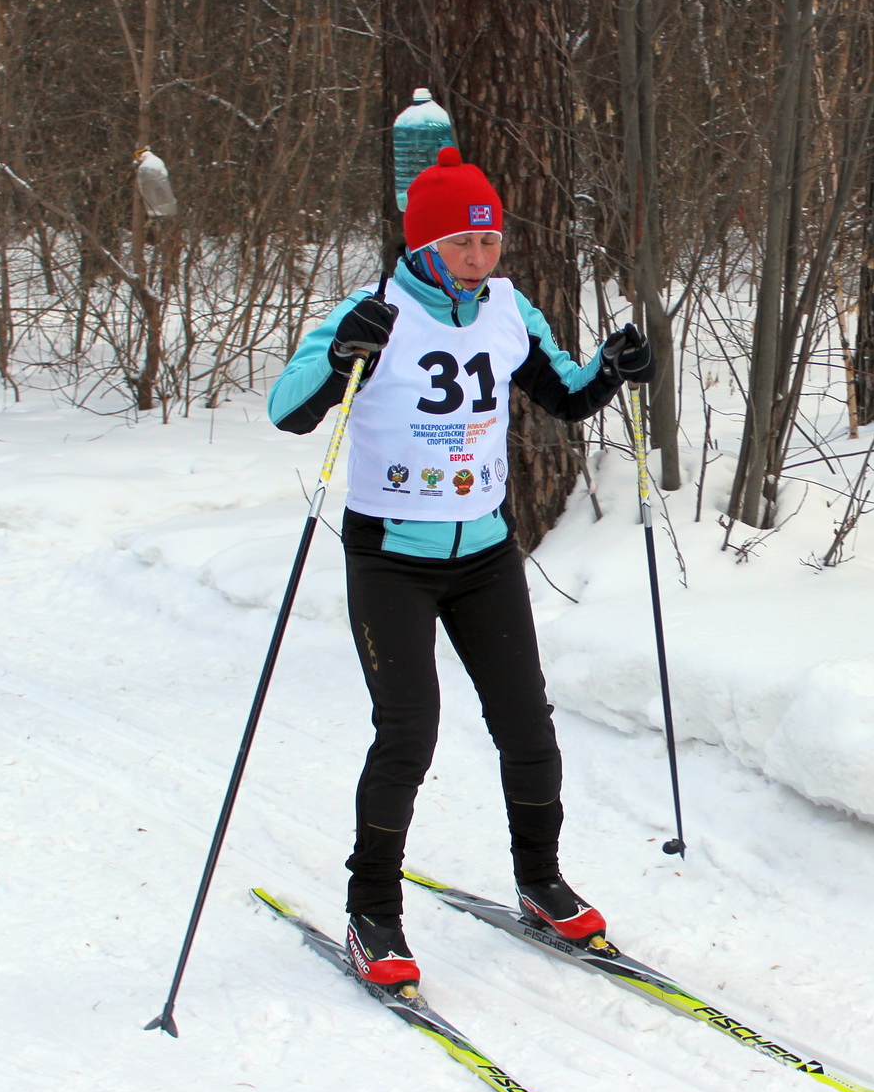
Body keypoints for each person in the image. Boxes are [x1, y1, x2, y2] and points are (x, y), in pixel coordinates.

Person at [268, 146, 651, 987]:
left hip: (483, 551)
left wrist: (614, 371)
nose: (480, 259)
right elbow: (287, 409)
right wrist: (339, 361)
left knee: (527, 723)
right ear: (423, 244)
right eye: (463, 244)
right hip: (391, 556)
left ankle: (540, 879)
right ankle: (373, 911)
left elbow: (566, 394)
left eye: (491, 242)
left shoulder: (509, 309)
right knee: (409, 730)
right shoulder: (372, 311)